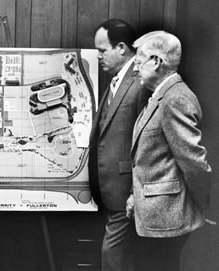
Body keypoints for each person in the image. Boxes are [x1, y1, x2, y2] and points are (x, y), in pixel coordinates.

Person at [126, 31, 211, 271]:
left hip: (167, 220)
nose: (134, 70)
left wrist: (202, 205)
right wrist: (137, 197)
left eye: (138, 62)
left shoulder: (176, 99)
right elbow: (152, 158)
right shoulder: (160, 96)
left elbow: (193, 162)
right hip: (156, 217)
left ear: (156, 62)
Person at [88, 19, 150, 271]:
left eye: (103, 50)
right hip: (110, 188)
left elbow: (148, 141)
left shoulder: (141, 82)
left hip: (127, 189)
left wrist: (136, 191)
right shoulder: (116, 80)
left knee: (112, 255)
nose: (98, 56)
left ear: (122, 48)